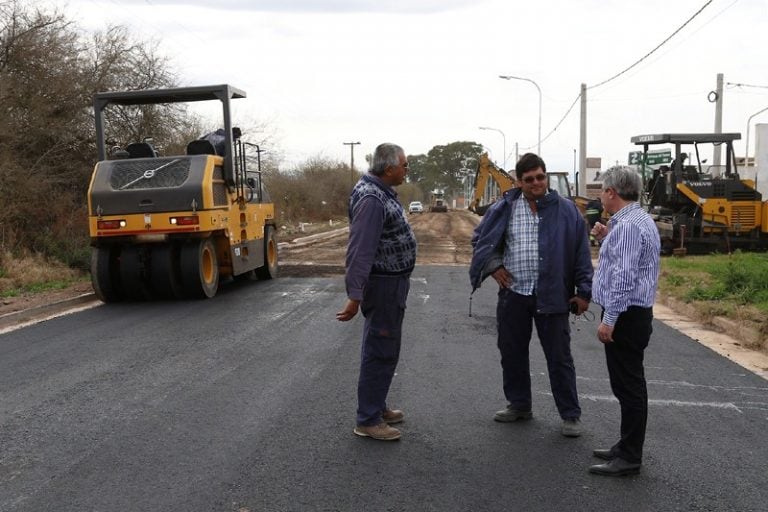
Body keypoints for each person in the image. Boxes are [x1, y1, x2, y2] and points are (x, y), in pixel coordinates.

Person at [469, 152, 593, 437]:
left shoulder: (567, 210)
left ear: (545, 176)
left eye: (540, 177)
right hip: (514, 294)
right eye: (529, 179)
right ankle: (519, 404)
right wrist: (493, 266)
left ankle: (570, 415)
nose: (536, 183)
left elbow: (581, 254)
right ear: (519, 181)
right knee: (511, 352)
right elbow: (482, 240)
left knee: (559, 357)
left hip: (553, 296)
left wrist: (583, 292)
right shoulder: (505, 208)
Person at [336, 143, 417, 442]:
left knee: (386, 347)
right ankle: (367, 419)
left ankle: (377, 406)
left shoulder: (380, 192)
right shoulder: (372, 198)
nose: (407, 170)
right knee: (380, 348)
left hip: (392, 283)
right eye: (405, 165)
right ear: (389, 168)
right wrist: (354, 296)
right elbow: (360, 250)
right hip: (382, 285)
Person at [588, 165, 660, 477]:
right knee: (627, 384)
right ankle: (625, 445)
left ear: (612, 193)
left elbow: (624, 278)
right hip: (633, 313)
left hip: (626, 315)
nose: (601, 195)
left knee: (629, 387)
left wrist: (610, 319)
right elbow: (628, 260)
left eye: (602, 190)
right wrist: (607, 237)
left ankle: (630, 456)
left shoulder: (629, 227)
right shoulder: (636, 220)